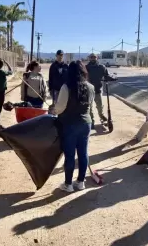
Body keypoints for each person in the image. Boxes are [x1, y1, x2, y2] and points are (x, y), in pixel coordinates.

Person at [52, 60, 94, 193]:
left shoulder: (66, 87)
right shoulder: (90, 87)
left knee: (70, 155)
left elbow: (60, 108)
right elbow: (90, 105)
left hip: (69, 124)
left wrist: (53, 110)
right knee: (83, 153)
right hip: (86, 123)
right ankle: (81, 182)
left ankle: (68, 184)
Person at [86, 53, 108, 129]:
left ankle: (102, 118)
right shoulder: (86, 67)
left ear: (97, 58)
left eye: (94, 57)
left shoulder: (101, 67)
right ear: (89, 58)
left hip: (98, 90)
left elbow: (106, 75)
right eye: (91, 57)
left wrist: (111, 78)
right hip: (89, 91)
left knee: (100, 107)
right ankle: (91, 122)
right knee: (90, 108)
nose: (93, 58)